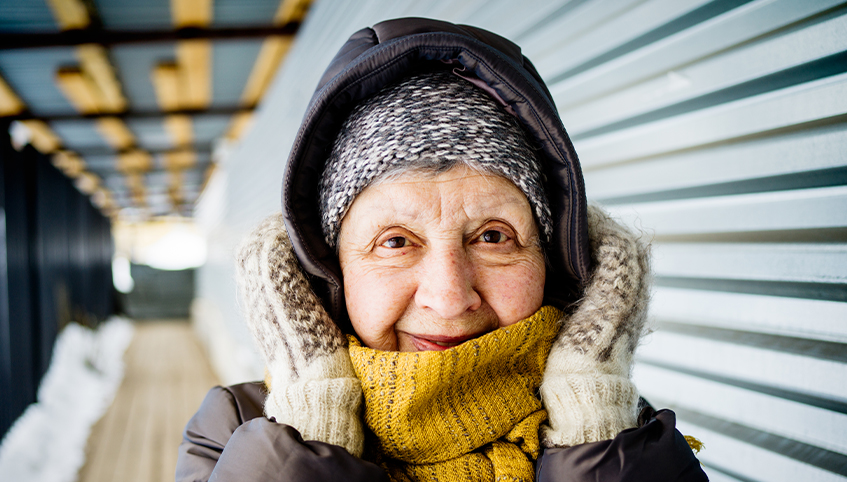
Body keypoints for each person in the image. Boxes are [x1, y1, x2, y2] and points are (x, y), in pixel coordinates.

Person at [176, 18, 708, 482]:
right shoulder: (239, 430)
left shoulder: (623, 432)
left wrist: (593, 430)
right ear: (329, 268)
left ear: (552, 257)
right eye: (396, 242)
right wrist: (311, 434)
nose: (449, 297)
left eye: (493, 236)